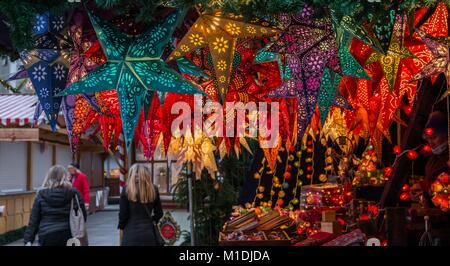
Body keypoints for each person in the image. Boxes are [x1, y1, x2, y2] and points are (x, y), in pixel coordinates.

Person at [24, 165, 87, 246]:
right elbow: (83, 215)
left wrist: (28, 240)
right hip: (69, 234)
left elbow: (34, 220)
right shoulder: (73, 193)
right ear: (65, 177)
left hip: (47, 235)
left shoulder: (41, 194)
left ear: (49, 177)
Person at [410, 111, 449, 207]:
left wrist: (423, 186)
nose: (431, 143)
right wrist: (421, 195)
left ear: (446, 135)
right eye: (428, 139)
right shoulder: (431, 159)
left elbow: (446, 185)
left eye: (434, 137)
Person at [118, 164, 163, 246]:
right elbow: (159, 213)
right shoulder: (154, 189)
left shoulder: (126, 190)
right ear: (147, 175)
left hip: (130, 234)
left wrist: (121, 228)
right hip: (149, 235)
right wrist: (152, 221)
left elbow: (123, 216)